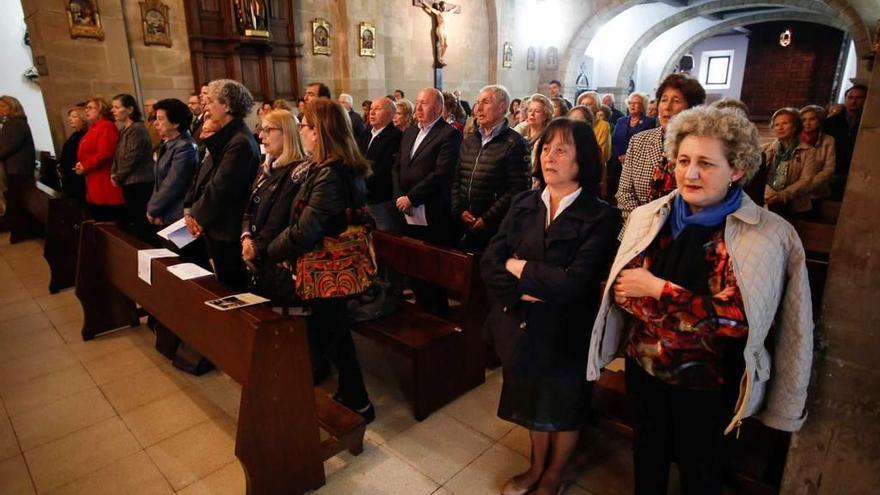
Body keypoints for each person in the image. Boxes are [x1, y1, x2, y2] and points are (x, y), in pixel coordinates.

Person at [589, 105, 813, 495]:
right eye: (683, 160)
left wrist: (659, 290)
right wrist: (691, 307)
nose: (690, 173)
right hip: (646, 369)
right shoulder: (649, 216)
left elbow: (738, 320)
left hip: (711, 382)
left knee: (701, 471)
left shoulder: (765, 234)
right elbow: (624, 292)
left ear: (737, 170)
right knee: (647, 457)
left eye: (706, 163)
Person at [482, 117, 618, 495]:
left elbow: (574, 283)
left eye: (562, 150)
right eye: (545, 148)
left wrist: (520, 266)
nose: (549, 157)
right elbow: (490, 260)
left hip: (566, 330)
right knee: (530, 401)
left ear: (583, 160)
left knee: (563, 406)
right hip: (522, 323)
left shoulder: (600, 215)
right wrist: (520, 289)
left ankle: (554, 474)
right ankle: (535, 466)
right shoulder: (524, 202)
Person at [267, 98, 375, 422]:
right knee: (333, 332)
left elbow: (307, 229)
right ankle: (352, 396)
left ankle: (358, 402)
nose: (300, 131)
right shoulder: (331, 166)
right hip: (329, 266)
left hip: (328, 268)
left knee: (333, 333)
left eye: (304, 125)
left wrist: (272, 250)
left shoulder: (330, 172)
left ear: (319, 132)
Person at [185, 79, 261, 290]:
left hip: (229, 226)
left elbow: (221, 186)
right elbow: (206, 175)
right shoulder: (227, 136)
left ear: (226, 105)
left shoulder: (240, 142)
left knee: (233, 287)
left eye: (210, 101)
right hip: (218, 224)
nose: (205, 107)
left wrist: (196, 216)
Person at [393, 88, 462, 313]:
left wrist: (412, 197)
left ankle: (438, 317)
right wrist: (399, 197)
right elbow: (398, 166)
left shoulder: (448, 134)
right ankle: (420, 313)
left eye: (424, 103)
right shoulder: (410, 132)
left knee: (432, 270)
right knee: (413, 266)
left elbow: (441, 174)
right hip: (407, 209)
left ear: (439, 108)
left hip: (431, 210)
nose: (418, 107)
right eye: (417, 102)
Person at [616, 74, 706, 231]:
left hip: (683, 234)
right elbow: (624, 193)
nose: (667, 107)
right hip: (637, 232)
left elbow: (703, 200)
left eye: (676, 101)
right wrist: (645, 226)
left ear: (691, 108)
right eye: (664, 100)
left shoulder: (702, 145)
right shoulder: (639, 141)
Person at [452, 85, 530, 251]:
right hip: (465, 222)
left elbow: (519, 188)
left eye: (485, 102)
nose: (478, 108)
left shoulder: (515, 143)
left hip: (495, 227)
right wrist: (459, 210)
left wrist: (487, 218)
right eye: (478, 102)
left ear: (502, 106)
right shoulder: (470, 140)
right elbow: (456, 178)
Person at [242, 109, 307, 306]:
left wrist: (256, 247)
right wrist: (245, 237)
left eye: (268, 130)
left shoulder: (297, 171)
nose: (261, 136)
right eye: (261, 130)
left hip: (275, 254)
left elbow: (279, 218)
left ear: (286, 132)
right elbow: (248, 205)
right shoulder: (266, 167)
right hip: (257, 250)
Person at [147, 98, 198, 228]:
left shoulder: (185, 147)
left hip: (177, 215)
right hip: (165, 211)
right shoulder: (169, 143)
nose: (156, 124)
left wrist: (153, 210)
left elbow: (172, 184)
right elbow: (159, 182)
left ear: (175, 123)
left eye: (160, 119)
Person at [111, 94, 155, 242]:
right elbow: (118, 154)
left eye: (117, 107)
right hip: (129, 181)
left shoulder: (137, 129)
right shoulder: (124, 129)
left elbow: (131, 157)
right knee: (136, 220)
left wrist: (118, 176)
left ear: (130, 109)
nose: (113, 110)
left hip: (139, 181)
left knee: (142, 221)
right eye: (113, 107)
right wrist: (114, 172)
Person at [358, 97, 403, 232]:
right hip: (363, 197)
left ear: (390, 114)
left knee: (386, 237)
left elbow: (386, 169)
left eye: (377, 109)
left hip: (382, 199)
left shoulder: (396, 137)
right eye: (371, 109)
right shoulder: (365, 133)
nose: (371, 113)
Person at [76, 97, 124, 222]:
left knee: (108, 219)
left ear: (101, 110)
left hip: (104, 180)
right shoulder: (94, 128)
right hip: (93, 179)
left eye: (91, 108)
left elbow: (105, 154)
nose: (87, 111)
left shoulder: (106, 126)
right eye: (86, 108)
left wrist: (85, 166)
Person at [763, 108, 817, 218]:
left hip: (794, 205)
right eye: (776, 124)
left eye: (785, 123)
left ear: (795, 126)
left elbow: (806, 181)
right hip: (767, 201)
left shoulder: (808, 152)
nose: (780, 127)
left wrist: (782, 196)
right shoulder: (767, 149)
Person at [0, 96, 37, 243]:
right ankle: (16, 229)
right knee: (13, 199)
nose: (0, 109)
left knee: (16, 200)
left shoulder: (17, 123)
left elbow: (10, 146)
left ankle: (19, 231)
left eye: (3, 106)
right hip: (14, 167)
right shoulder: (11, 123)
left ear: (12, 107)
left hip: (19, 168)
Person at [822, 84, 866, 199]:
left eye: (858, 98)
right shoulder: (831, 122)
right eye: (850, 97)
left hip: (858, 169)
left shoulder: (867, 123)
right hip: (835, 168)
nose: (853, 101)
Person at [799, 105, 835, 208]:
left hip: (816, 190)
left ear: (819, 121)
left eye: (812, 119)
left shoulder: (828, 140)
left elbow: (829, 168)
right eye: (804, 120)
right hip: (794, 190)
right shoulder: (794, 138)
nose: (807, 123)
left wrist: (809, 184)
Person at [59, 105, 88, 204]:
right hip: (71, 176)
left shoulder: (85, 135)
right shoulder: (75, 134)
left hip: (78, 177)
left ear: (83, 119)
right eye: (70, 116)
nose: (70, 119)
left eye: (74, 117)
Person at [575, 91, 611, 165]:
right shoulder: (573, 123)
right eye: (582, 104)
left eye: (588, 104)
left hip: (594, 165)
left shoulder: (603, 125)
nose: (584, 107)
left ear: (596, 107)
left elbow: (602, 153)